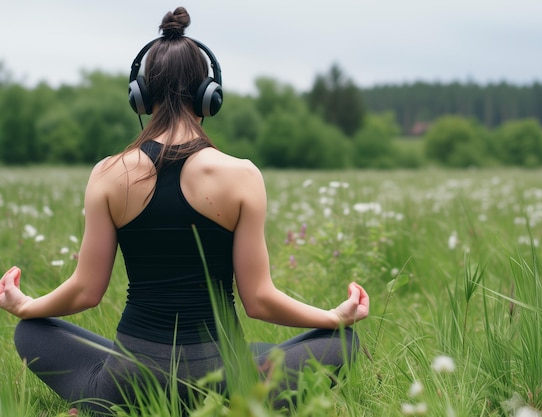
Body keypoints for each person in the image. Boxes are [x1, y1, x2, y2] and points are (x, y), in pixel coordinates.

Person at [0, 7, 369, 415]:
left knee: (32, 332)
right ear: (209, 96)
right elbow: (259, 301)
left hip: (129, 380)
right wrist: (334, 315)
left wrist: (26, 306)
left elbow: (86, 291)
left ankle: (109, 405)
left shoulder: (108, 173)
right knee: (341, 343)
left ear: (140, 95)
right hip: (223, 380)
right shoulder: (242, 176)